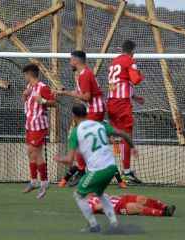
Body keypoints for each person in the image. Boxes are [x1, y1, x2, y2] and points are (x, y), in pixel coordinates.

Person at [55, 103, 138, 233]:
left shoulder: (76, 132)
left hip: (99, 170)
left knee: (78, 195)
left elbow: (69, 160)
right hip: (112, 168)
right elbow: (122, 133)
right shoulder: (100, 124)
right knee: (100, 193)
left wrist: (59, 159)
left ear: (74, 116)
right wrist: (132, 147)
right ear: (87, 113)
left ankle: (93, 225)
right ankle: (114, 223)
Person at [56, 50, 126, 188]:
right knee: (91, 142)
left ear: (76, 60)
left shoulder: (84, 75)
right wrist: (64, 92)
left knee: (79, 138)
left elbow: (87, 97)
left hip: (95, 110)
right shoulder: (84, 74)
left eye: (71, 60)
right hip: (95, 109)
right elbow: (84, 94)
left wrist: (69, 93)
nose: (70, 62)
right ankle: (119, 180)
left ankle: (81, 170)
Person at [107, 40, 144, 184]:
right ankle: (127, 172)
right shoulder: (130, 60)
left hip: (111, 102)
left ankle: (103, 169)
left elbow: (119, 83)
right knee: (126, 137)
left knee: (113, 137)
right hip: (122, 104)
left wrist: (134, 96)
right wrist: (140, 74)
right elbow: (135, 80)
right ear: (133, 51)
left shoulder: (114, 61)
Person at [22, 64, 56, 199]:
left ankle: (43, 181)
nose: (25, 77)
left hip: (39, 125)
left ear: (30, 75)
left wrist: (41, 100)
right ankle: (34, 181)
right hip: (29, 124)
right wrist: (25, 96)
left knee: (36, 153)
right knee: (30, 152)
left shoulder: (43, 87)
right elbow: (28, 104)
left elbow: (53, 102)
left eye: (25, 75)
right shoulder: (29, 87)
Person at [88, 194, 176, 217]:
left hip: (122, 199)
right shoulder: (89, 202)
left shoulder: (99, 194)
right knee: (137, 207)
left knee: (142, 199)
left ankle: (165, 207)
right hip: (118, 207)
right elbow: (96, 208)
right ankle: (164, 213)